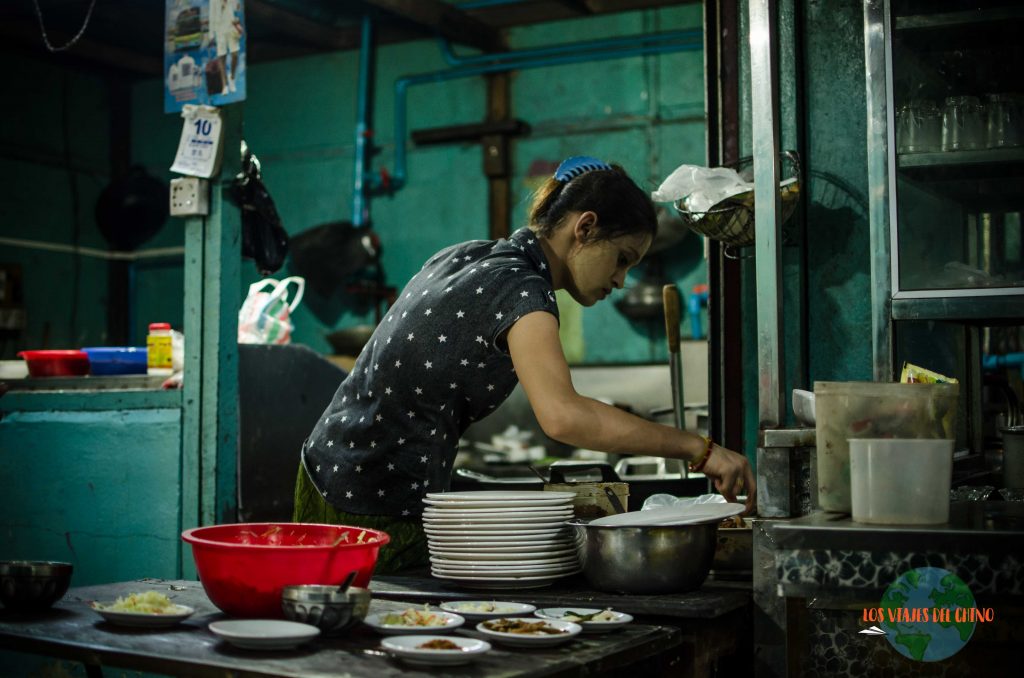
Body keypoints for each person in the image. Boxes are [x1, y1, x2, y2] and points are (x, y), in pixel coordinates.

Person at [294, 156, 757, 573]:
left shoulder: (471, 255)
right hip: (369, 501)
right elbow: (564, 416)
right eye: (622, 259)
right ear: (585, 227)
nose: (620, 280)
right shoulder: (522, 290)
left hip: (328, 474)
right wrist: (700, 449)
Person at [209, 0, 242, 94]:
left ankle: (232, 77)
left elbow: (237, 8)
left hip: (231, 27)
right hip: (219, 30)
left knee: (235, 54)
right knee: (221, 57)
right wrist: (211, 34)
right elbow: (212, 16)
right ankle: (224, 85)